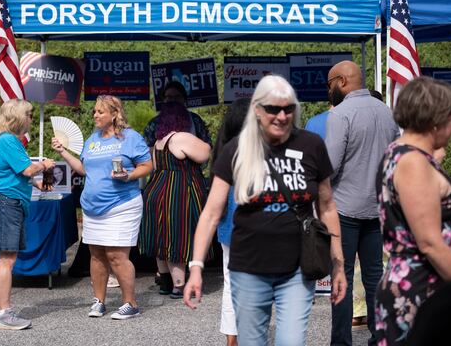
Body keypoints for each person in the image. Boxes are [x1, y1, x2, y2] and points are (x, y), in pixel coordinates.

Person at [184, 75, 347, 346]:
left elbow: (327, 206)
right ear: (258, 110)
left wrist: (338, 264)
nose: (281, 116)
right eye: (273, 109)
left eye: (288, 109)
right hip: (248, 269)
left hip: (298, 269)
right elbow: (211, 213)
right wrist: (196, 267)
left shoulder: (311, 146)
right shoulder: (237, 149)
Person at [375, 76, 451, 345]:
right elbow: (429, 242)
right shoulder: (413, 163)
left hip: (426, 289)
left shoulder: (403, 154)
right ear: (435, 121)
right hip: (422, 292)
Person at [52, 95, 152, 320]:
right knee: (96, 255)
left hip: (122, 205)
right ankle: (99, 301)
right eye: (94, 111)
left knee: (116, 255)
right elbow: (84, 169)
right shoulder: (92, 140)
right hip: (92, 208)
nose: (95, 115)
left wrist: (130, 175)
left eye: (100, 111)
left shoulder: (131, 138)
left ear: (115, 114)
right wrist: (63, 152)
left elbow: (147, 165)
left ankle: (130, 303)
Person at [324, 61, 400, 346]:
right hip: (378, 208)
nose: (329, 89)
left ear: (342, 81)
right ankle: (379, 337)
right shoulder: (387, 113)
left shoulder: (340, 114)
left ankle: (341, 342)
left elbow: (330, 166)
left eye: (330, 83)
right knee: (375, 277)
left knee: (341, 277)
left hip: (344, 210)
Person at [0, 99, 55, 330]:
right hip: (7, 201)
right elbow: (27, 169)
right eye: (29, 115)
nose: (31, 119)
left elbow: (17, 174)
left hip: (5, 199)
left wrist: (36, 185)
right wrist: (44, 164)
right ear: (18, 117)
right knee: (7, 259)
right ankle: (5, 313)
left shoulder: (4, 141)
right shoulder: (9, 140)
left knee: (3, 258)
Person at [139, 102, 211, 298]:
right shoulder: (181, 137)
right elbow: (205, 153)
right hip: (178, 192)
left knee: (161, 239)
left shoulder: (159, 142)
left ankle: (165, 282)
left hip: (156, 190)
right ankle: (179, 285)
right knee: (176, 238)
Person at [210, 98, 250, 346]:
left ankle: (232, 339)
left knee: (230, 284)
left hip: (228, 226)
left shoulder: (223, 149)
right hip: (257, 228)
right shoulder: (260, 149)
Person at [143, 81, 211, 148]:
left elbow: (207, 144)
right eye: (169, 97)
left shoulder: (195, 120)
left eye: (177, 96)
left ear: (184, 99)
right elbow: (146, 151)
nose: (173, 100)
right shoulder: (154, 124)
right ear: (164, 100)